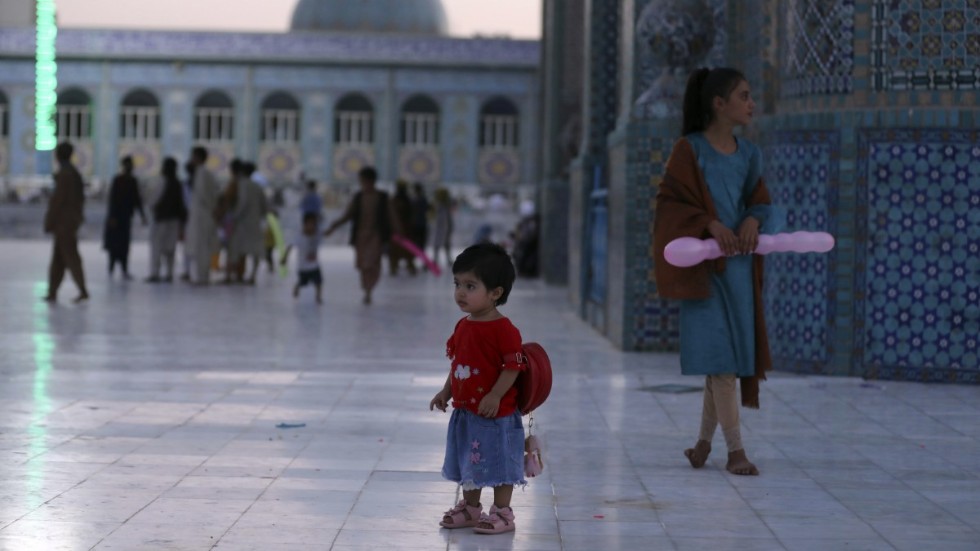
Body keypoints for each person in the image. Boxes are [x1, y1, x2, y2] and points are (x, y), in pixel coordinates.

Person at [653, 67, 783, 477]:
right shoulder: (688, 151)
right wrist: (710, 224)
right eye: (744, 96)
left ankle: (703, 445)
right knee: (722, 362)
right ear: (719, 104)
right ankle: (736, 452)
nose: (751, 104)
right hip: (705, 273)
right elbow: (671, 204)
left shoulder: (749, 154)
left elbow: (760, 202)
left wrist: (751, 221)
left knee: (722, 363)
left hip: (739, 272)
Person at [429, 243, 527, 534]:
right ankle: (471, 508)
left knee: (498, 460)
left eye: (470, 286)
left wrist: (496, 394)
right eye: (457, 283)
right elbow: (457, 364)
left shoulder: (504, 330)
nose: (460, 292)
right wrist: (445, 392)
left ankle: (503, 513)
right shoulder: (463, 326)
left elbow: (513, 366)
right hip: (467, 411)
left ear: (496, 293)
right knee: (469, 461)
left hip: (496, 414)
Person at [323, 166, 402, 305]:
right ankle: (367, 288)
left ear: (369, 180)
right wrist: (334, 226)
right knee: (363, 265)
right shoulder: (358, 197)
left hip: (376, 236)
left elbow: (392, 216)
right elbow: (348, 215)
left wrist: (398, 230)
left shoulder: (383, 197)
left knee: (372, 263)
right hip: (361, 236)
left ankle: (368, 290)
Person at [43, 141, 90, 303]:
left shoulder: (65, 175)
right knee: (59, 258)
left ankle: (82, 289)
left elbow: (58, 201)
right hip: (69, 221)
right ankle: (53, 291)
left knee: (70, 256)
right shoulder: (72, 173)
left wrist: (50, 220)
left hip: (64, 223)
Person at [102, 156, 146, 279]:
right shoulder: (118, 180)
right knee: (114, 245)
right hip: (117, 217)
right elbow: (113, 200)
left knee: (124, 245)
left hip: (126, 217)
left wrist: (142, 215)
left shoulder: (132, 181)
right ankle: (111, 268)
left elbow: (137, 200)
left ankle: (124, 269)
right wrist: (112, 216)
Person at [146, 157, 187, 283]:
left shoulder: (162, 182)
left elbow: (153, 200)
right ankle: (169, 273)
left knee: (157, 247)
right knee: (170, 248)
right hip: (174, 220)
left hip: (161, 219)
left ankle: (155, 273)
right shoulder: (178, 183)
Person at [184, 146, 220, 285]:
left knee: (202, 247)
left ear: (198, 158)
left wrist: (213, 210)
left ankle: (203, 277)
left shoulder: (202, 173)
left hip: (203, 216)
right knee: (200, 246)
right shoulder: (203, 173)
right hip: (201, 215)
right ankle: (201, 275)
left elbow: (206, 195)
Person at [230, 161, 269, 284]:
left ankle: (239, 275)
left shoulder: (243, 185)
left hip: (244, 223)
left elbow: (243, 203)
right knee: (254, 250)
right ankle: (252, 275)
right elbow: (265, 206)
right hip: (255, 222)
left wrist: (235, 216)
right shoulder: (257, 186)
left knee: (240, 249)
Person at [280, 212, 323, 304]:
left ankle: (318, 296)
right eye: (309, 224)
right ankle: (297, 286)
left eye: (314, 224)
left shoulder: (316, 235)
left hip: (314, 265)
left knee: (318, 281)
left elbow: (326, 232)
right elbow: (290, 247)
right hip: (303, 267)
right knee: (304, 282)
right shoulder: (300, 236)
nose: (312, 227)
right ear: (304, 225)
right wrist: (284, 258)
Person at [388, 180, 417, 276]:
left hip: (398, 231)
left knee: (398, 252)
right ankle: (408, 267)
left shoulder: (395, 201)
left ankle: (395, 268)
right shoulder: (408, 201)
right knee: (405, 251)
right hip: (404, 230)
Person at [431, 187, 454, 267]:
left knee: (442, 244)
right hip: (443, 226)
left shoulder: (442, 205)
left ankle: (438, 259)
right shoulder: (442, 205)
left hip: (443, 226)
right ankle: (437, 259)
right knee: (442, 244)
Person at [410, 182, 430, 256]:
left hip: (416, 224)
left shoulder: (413, 200)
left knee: (415, 244)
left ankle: (414, 259)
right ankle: (422, 260)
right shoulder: (423, 200)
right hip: (422, 224)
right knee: (421, 244)